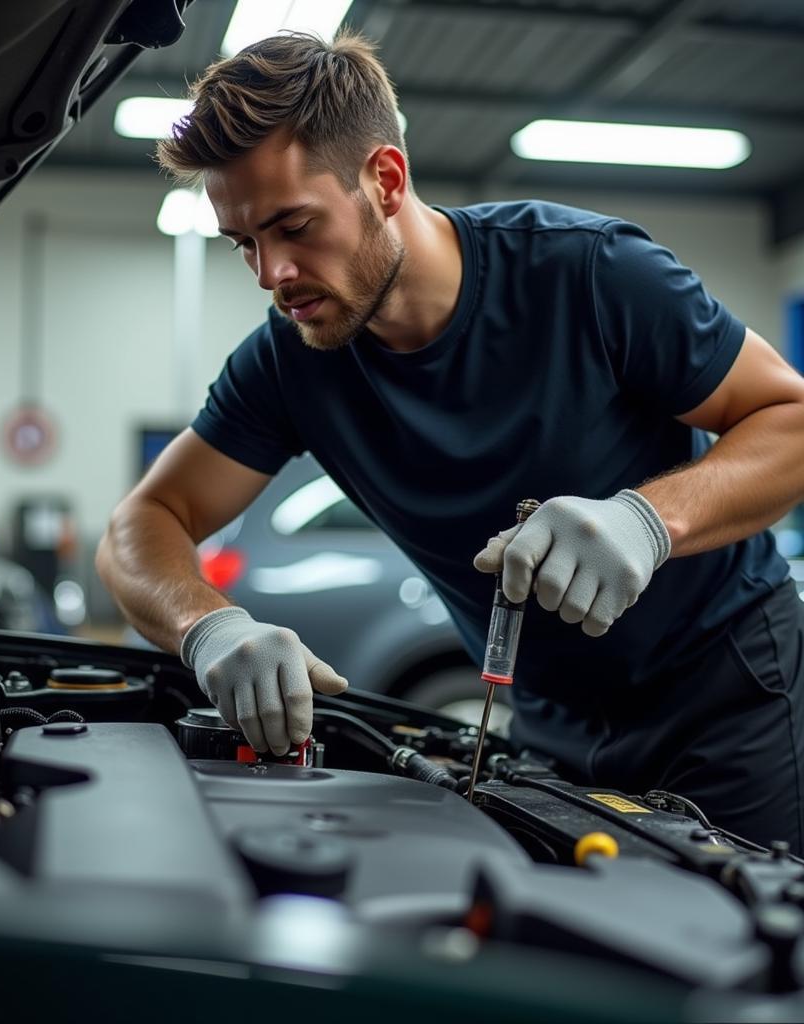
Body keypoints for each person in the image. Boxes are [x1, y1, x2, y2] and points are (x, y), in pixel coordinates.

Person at [96, 31, 804, 852]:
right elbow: (142, 525)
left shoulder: (590, 275)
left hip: (728, 701)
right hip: (545, 725)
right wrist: (208, 627)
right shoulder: (290, 363)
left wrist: (648, 521)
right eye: (246, 243)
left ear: (385, 180)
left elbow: (789, 420)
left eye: (294, 226)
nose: (270, 273)